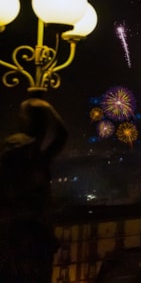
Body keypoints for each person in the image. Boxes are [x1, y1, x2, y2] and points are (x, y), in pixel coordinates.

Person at [0, 97, 69, 283]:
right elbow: (62, 135)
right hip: (24, 237)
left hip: (28, 236)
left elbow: (62, 135)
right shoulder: (32, 154)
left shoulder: (32, 154)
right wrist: (48, 108)